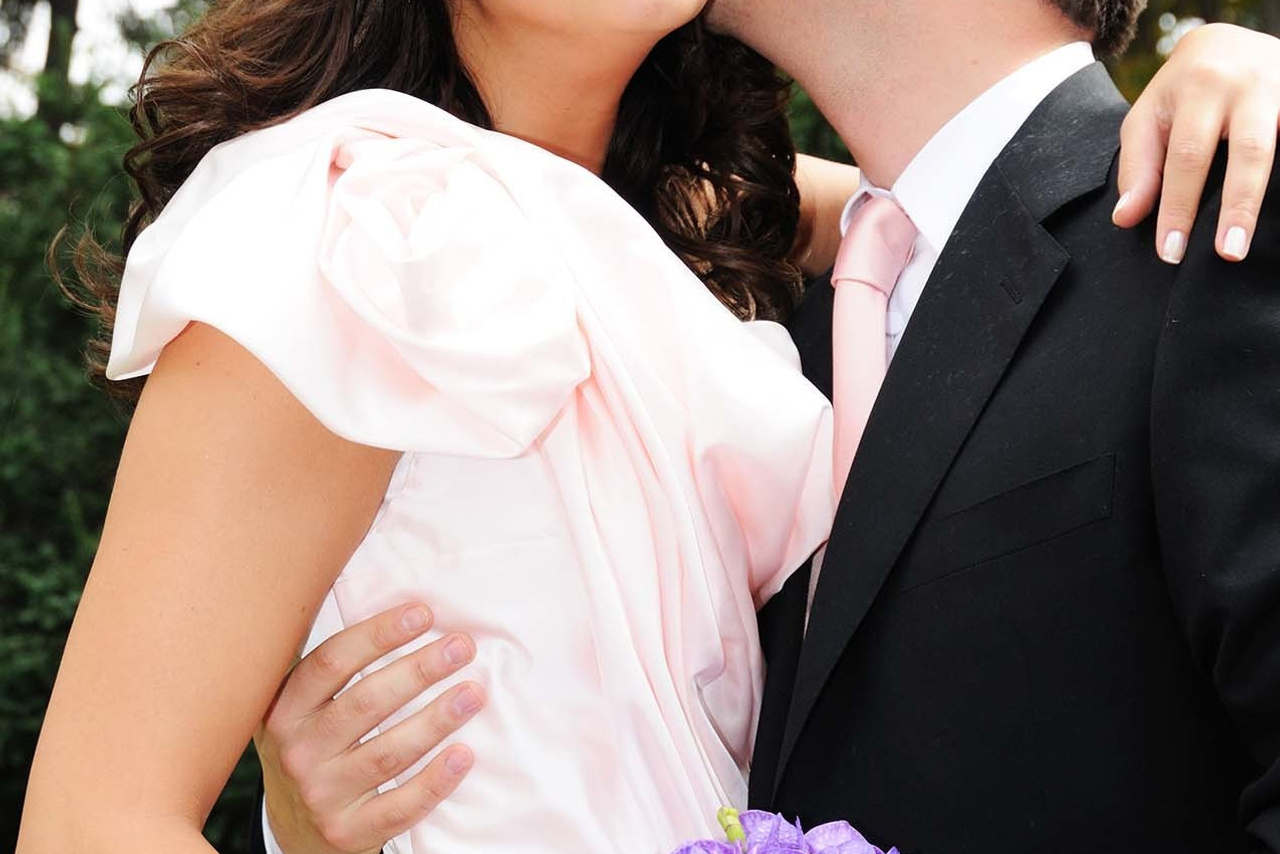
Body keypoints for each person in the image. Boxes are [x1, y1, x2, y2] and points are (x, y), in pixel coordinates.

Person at [14, 0, 1280, 851]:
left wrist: (1238, 59)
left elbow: (977, 207)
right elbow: (94, 816)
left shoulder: (707, 234)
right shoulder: (356, 219)